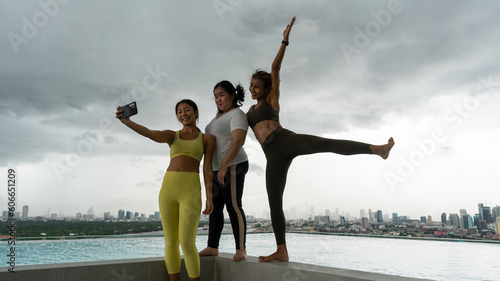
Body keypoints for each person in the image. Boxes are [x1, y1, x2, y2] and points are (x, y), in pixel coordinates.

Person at [246, 17, 395, 262]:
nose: (253, 90)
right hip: (271, 155)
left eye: (257, 86)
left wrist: (284, 40)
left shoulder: (272, 100)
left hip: (284, 140)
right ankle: (281, 250)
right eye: (251, 87)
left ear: (266, 87)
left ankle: (377, 149)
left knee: (326, 144)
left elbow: (275, 69)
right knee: (274, 202)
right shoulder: (248, 113)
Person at [116, 99, 215, 281]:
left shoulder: (207, 139)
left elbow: (207, 169)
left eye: (186, 110)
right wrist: (127, 122)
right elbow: (149, 133)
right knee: (170, 242)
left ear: (195, 112)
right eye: (179, 111)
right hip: (167, 190)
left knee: (186, 242)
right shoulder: (172, 135)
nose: (183, 114)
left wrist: (210, 197)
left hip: (191, 191)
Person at [199, 80, 249, 262]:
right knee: (215, 208)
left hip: (234, 165)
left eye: (221, 95)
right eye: (215, 96)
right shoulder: (217, 118)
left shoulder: (236, 114)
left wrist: (223, 166)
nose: (218, 99)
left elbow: (238, 141)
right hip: (216, 168)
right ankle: (212, 246)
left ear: (232, 95)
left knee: (233, 205)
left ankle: (241, 248)